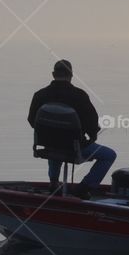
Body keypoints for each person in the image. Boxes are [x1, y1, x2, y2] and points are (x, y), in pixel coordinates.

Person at [27, 60, 116, 196]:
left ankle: (54, 183)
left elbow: (32, 121)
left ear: (53, 74)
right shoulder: (80, 96)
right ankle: (84, 188)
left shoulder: (39, 95)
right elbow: (92, 125)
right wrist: (91, 137)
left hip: (49, 145)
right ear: (71, 75)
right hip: (75, 148)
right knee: (109, 155)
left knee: (54, 142)